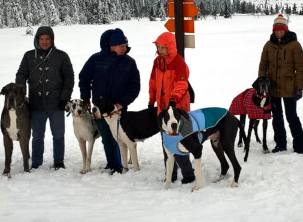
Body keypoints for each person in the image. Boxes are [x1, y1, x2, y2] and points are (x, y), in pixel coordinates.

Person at [78, 28, 140, 175]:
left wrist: (122, 103)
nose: (125, 48)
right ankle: (112, 164)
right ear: (112, 46)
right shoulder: (96, 59)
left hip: (119, 109)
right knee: (106, 137)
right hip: (100, 109)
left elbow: (134, 87)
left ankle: (121, 165)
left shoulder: (130, 63)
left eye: (126, 45)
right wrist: (85, 98)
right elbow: (84, 78)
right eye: (121, 46)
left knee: (120, 137)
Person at [16, 26, 74, 170]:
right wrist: (21, 94)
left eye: (47, 39)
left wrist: (65, 97)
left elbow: (69, 78)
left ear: (52, 40)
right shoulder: (29, 56)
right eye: (41, 39)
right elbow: (21, 75)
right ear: (37, 40)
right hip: (36, 104)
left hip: (57, 103)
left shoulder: (62, 56)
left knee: (59, 134)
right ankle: (36, 162)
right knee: (37, 136)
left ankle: (59, 161)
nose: (44, 42)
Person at [149, 32, 195, 184]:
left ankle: (188, 175)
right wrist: (151, 100)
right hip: (163, 110)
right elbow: (153, 82)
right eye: (159, 47)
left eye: (163, 47)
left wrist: (174, 99)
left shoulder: (178, 62)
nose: (160, 50)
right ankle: (171, 174)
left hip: (178, 108)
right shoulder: (157, 62)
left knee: (180, 143)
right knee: (166, 143)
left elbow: (182, 83)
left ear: (170, 47)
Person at [258, 14, 303, 154]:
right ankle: (280, 144)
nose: (279, 32)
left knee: (292, 117)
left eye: (281, 29)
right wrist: (262, 84)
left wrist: (299, 88)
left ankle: (299, 146)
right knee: (276, 117)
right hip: (272, 88)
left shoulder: (295, 45)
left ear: (286, 30)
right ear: (273, 30)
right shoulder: (268, 45)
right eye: (276, 30)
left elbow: (300, 68)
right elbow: (263, 65)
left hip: (289, 87)